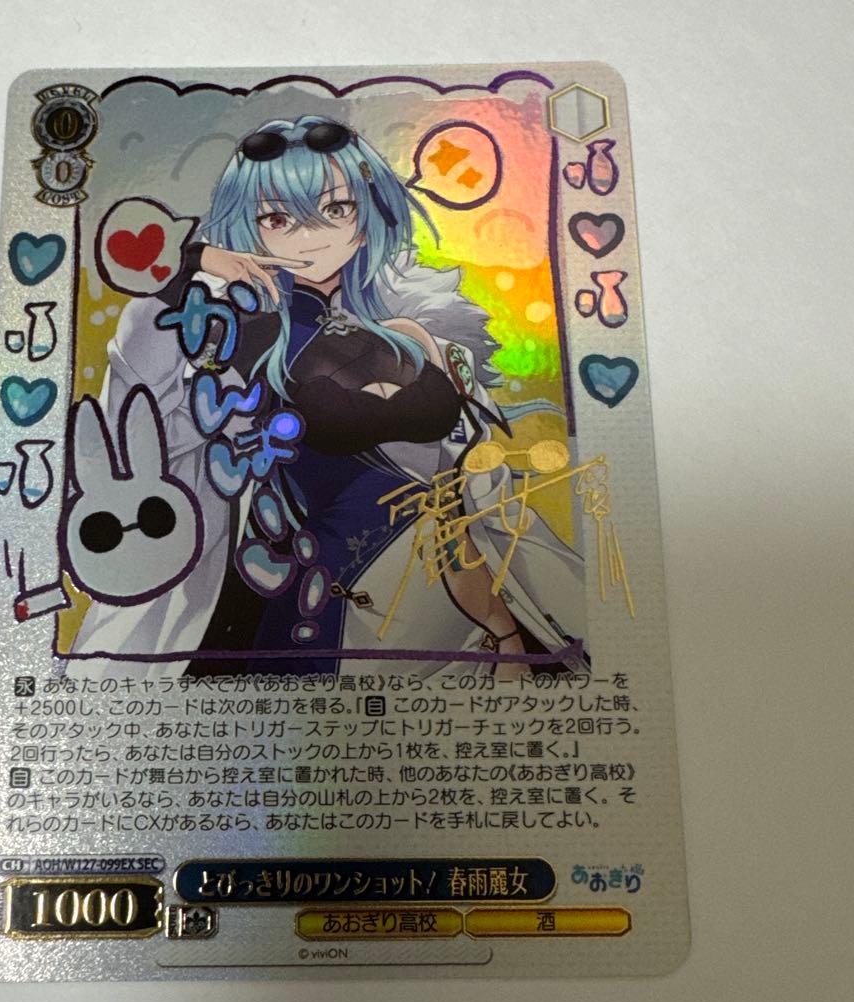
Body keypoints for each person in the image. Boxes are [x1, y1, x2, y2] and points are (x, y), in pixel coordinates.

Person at [69, 115, 587, 677]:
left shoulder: (410, 328)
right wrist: (194, 262)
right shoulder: (229, 327)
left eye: (337, 210)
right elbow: (136, 408)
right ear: (246, 227)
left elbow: (454, 481)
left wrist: (503, 629)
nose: (310, 236)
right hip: (290, 573)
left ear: (369, 215)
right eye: (277, 218)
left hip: (424, 562)